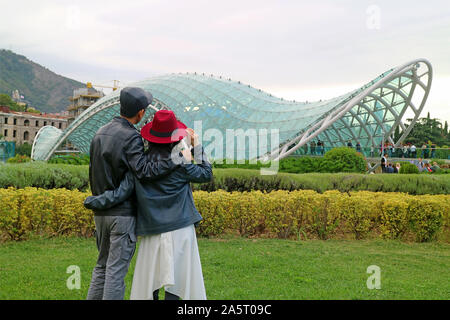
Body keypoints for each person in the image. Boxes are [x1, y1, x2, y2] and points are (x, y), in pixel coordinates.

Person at [85, 110, 212, 300]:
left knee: (148, 286)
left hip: (151, 230)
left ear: (151, 137)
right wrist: (196, 146)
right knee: (178, 283)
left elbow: (122, 191)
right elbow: (206, 173)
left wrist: (94, 201)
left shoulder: (141, 166)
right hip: (181, 230)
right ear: (175, 138)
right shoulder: (181, 164)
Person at [86, 87, 179, 300]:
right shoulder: (131, 137)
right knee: (116, 271)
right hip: (122, 214)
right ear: (139, 113)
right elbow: (145, 171)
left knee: (101, 267)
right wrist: (176, 159)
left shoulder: (99, 132)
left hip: (101, 213)